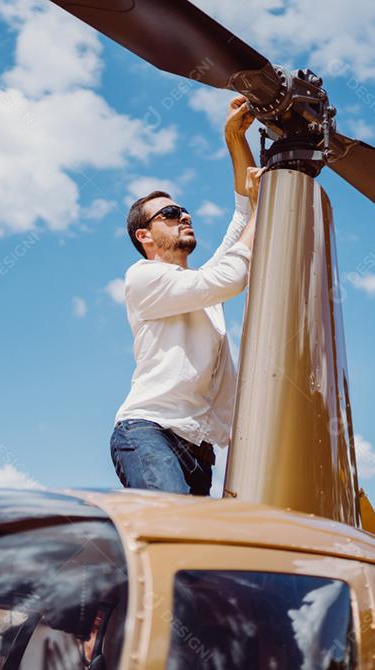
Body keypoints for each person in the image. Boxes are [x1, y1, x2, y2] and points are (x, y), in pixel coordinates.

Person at [110, 95, 263, 496]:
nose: (186, 216)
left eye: (186, 211)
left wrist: (234, 139)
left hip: (199, 449)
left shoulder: (201, 289)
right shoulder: (143, 278)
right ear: (145, 236)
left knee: (198, 552)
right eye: (171, 213)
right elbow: (233, 274)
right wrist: (267, 206)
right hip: (148, 433)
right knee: (173, 529)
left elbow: (245, 212)